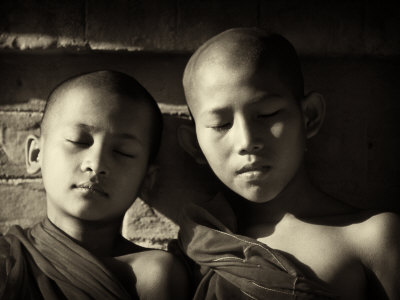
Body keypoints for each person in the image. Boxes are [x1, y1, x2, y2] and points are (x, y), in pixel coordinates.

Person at [177, 28, 400, 299]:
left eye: (268, 114)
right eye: (221, 124)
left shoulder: (372, 237)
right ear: (193, 144)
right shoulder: (197, 248)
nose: (246, 141)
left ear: (309, 117)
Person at [0, 70, 189, 299]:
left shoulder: (151, 274)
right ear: (36, 154)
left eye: (122, 152)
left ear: (146, 180)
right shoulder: (7, 262)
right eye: (78, 141)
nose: (96, 164)